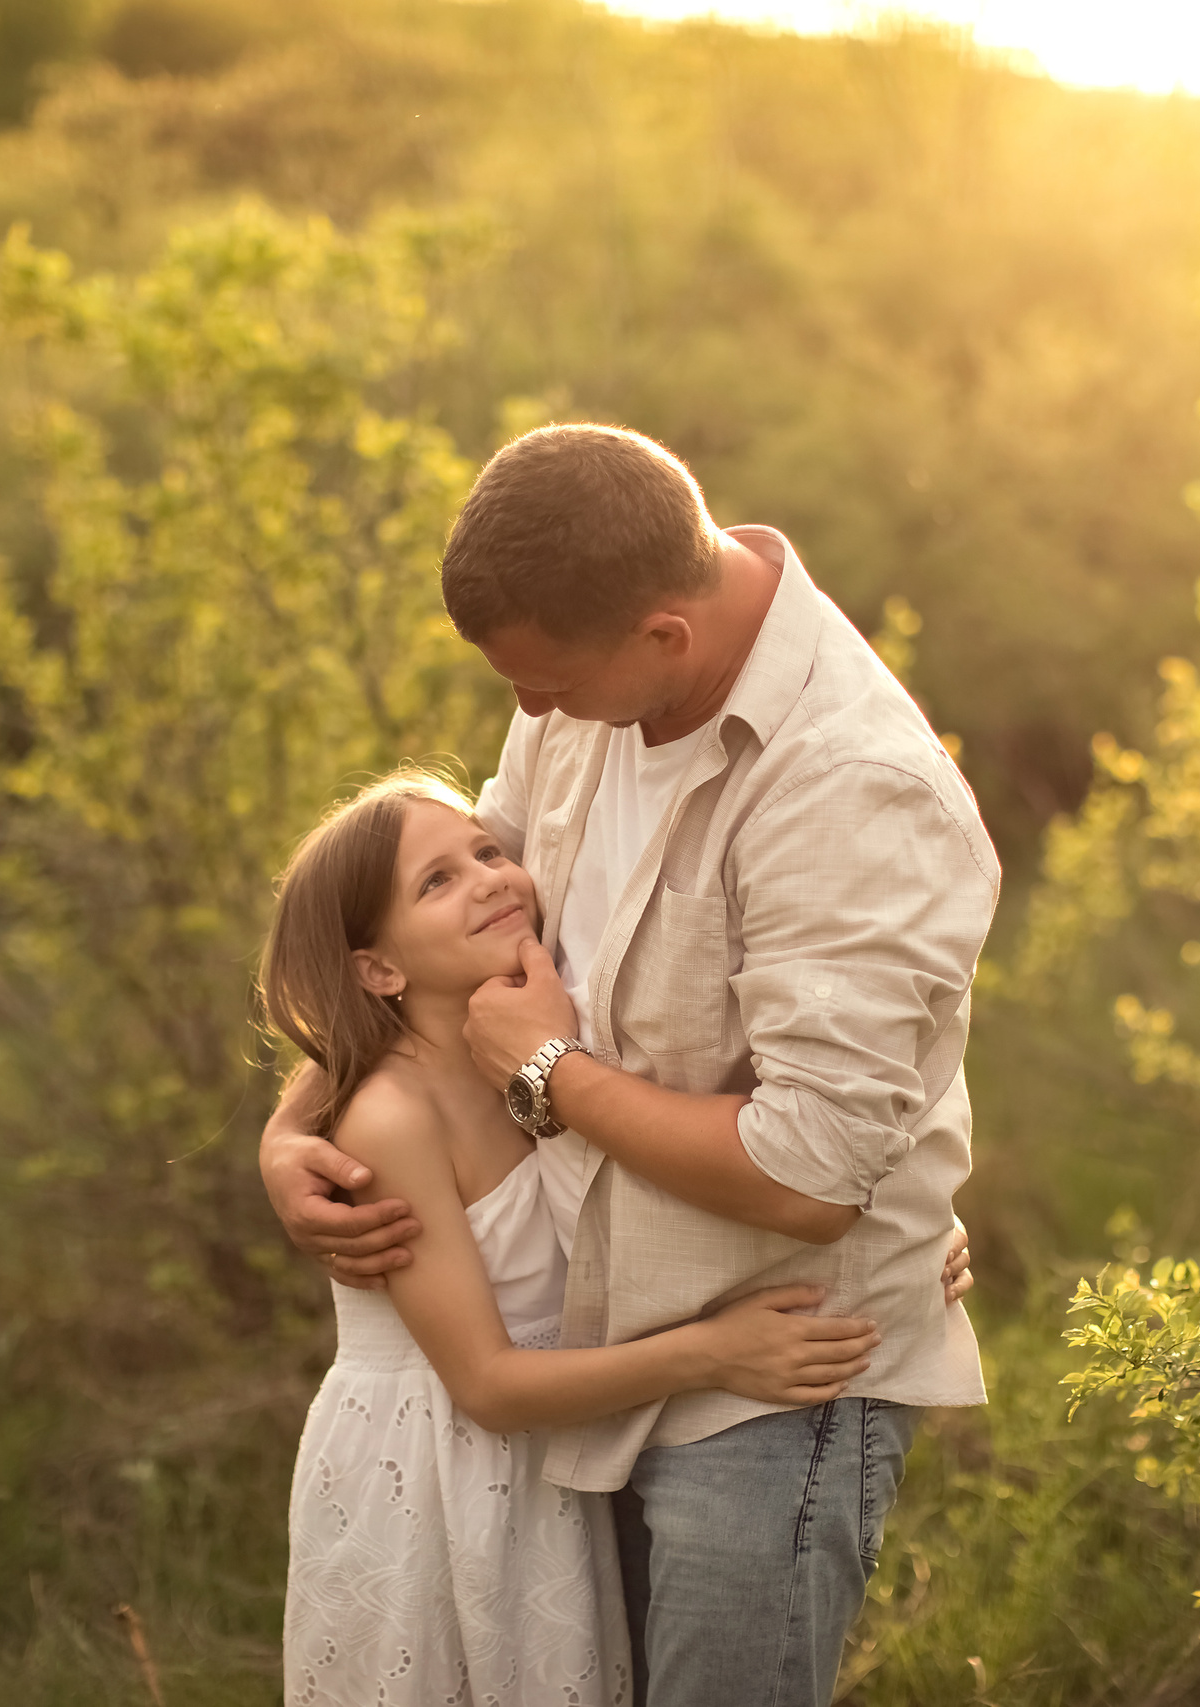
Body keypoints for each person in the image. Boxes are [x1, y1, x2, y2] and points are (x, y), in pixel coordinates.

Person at [262, 423, 998, 1707]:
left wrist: (543, 1068)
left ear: (663, 633)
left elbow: (810, 1175)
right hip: (586, 1355)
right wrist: (300, 1123)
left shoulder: (851, 789)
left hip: (767, 1370)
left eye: (546, 684)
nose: (531, 712)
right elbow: (411, 928)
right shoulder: (593, 680)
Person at [265, 769, 887, 1707]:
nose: (489, 878)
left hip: (541, 1474)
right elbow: (485, 1384)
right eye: (436, 882)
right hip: (432, 1481)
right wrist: (716, 1351)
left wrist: (895, 1233)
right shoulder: (390, 1118)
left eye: (486, 850)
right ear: (378, 968)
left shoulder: (536, 1041)